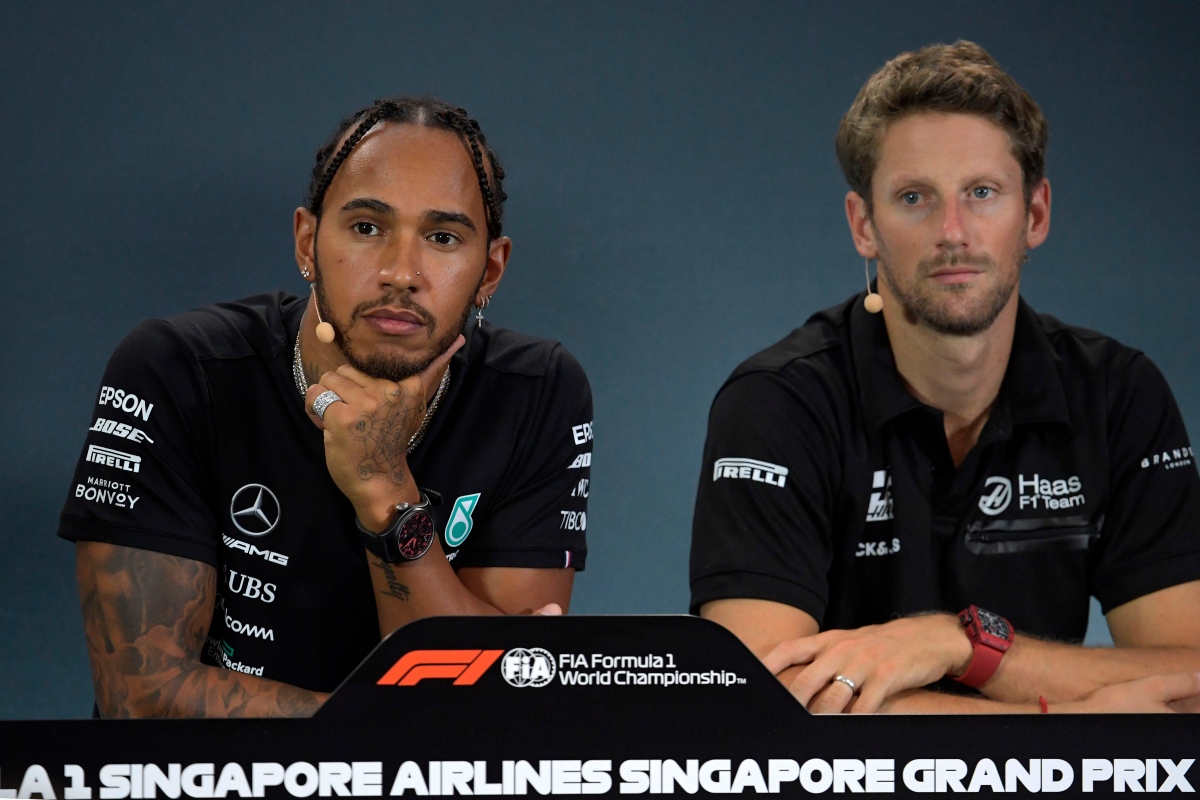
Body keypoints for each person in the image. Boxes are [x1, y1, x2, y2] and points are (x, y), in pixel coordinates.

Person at [690, 42, 1200, 713]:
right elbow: (760, 701)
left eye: (982, 193)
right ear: (863, 226)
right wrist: (1060, 736)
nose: (952, 231)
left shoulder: (1118, 393)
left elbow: (1189, 678)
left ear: (1035, 215)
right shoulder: (777, 404)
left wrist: (962, 645)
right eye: (913, 197)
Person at [60, 96, 593, 718]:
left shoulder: (536, 391)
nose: (401, 271)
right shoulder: (180, 369)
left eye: (443, 237)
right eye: (367, 227)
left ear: (491, 271)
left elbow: (508, 708)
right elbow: (141, 698)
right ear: (307, 243)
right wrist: (387, 736)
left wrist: (384, 487)